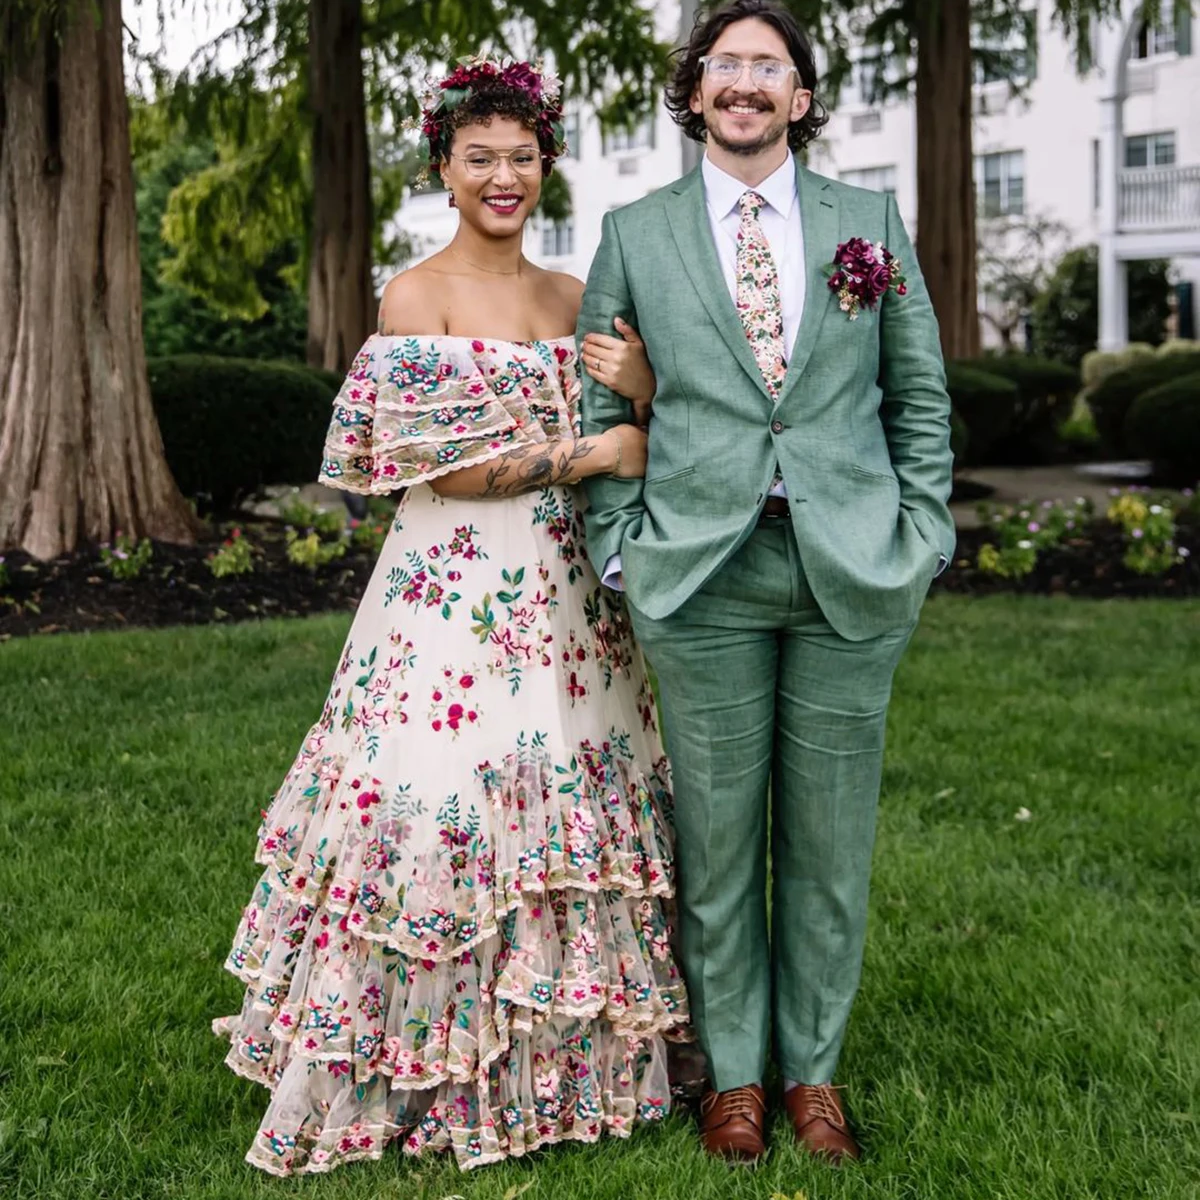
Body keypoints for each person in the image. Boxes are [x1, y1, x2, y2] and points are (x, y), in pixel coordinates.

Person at [213, 55, 689, 1177]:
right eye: (480, 157)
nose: (503, 176)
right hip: (454, 600)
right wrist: (602, 447)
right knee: (435, 794)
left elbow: (652, 424)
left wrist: (651, 400)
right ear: (445, 167)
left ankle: (576, 1053)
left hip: (569, 599)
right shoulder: (413, 296)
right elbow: (447, 469)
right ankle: (413, 1055)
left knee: (578, 789)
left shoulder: (576, 301)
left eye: (522, 158)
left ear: (545, 168)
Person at [579, 0, 955, 1165]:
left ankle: (813, 1077)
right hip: (700, 575)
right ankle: (732, 1078)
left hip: (852, 566)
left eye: (769, 68)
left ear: (799, 97)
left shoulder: (869, 220)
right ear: (695, 92)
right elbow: (599, 406)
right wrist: (619, 547)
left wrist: (923, 532)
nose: (745, 83)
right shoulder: (637, 232)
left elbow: (921, 396)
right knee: (721, 844)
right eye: (725, 65)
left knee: (831, 849)